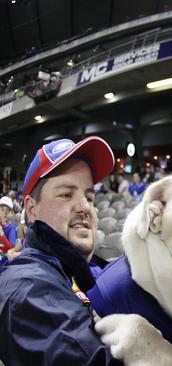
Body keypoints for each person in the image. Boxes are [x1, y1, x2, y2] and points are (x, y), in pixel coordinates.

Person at [0, 137, 120, 364]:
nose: (85, 206)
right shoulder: (26, 287)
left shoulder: (85, 271)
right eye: (66, 194)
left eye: (89, 197)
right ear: (32, 210)